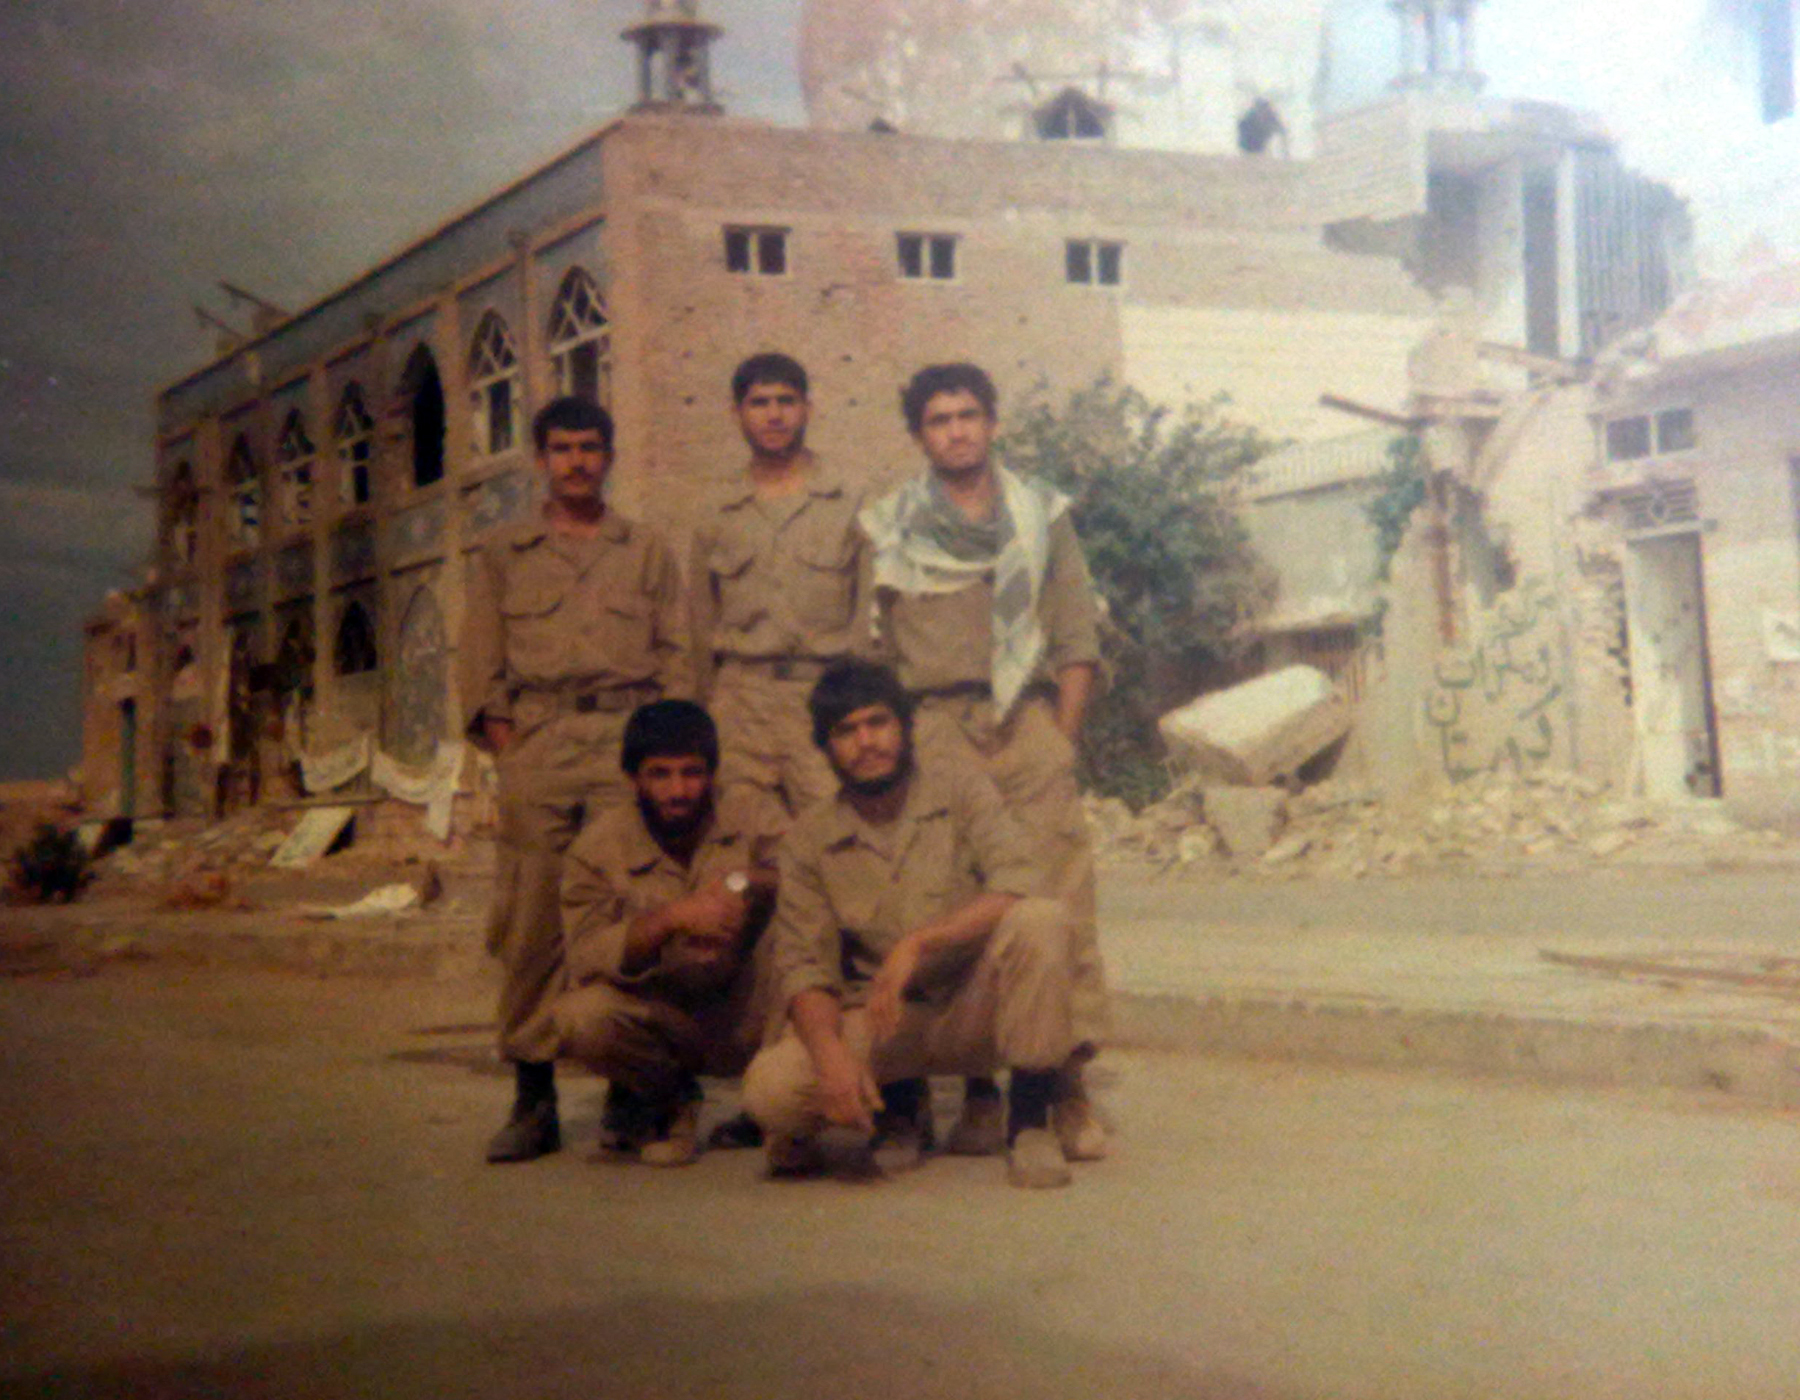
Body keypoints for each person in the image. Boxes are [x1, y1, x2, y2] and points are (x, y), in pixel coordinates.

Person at [859, 362, 1109, 1161]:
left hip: (1025, 724)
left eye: (968, 415)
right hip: (933, 726)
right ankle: (972, 1091)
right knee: (949, 896)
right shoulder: (891, 524)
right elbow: (877, 650)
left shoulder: (1040, 514)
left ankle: (1064, 1085)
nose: (957, 430)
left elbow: (1075, 635)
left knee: (1058, 899)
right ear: (919, 435)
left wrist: (1059, 741)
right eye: (938, 420)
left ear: (992, 423)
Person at [741, 661, 1081, 1189]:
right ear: (826, 748)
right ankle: (898, 1111)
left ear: (904, 726)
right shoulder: (810, 838)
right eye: (846, 731)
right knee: (772, 1093)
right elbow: (805, 966)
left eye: (878, 723)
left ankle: (1029, 1122)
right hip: (888, 1020)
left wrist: (920, 943)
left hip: (975, 1008)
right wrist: (830, 1058)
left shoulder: (962, 790)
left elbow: (1019, 882)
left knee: (1042, 921)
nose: (866, 742)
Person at [461, 395, 691, 1164]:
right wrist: (509, 745)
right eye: (562, 449)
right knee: (533, 919)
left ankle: (629, 1088)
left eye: (590, 448)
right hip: (542, 741)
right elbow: (481, 659)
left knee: (631, 908)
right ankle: (533, 1096)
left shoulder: (645, 549)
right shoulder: (504, 551)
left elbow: (678, 653)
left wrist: (664, 747)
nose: (577, 462)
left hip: (627, 743)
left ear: (609, 457)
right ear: (541, 459)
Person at [553, 700, 779, 1166]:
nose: (678, 791)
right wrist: (671, 918)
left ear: (712, 774)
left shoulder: (750, 810)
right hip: (667, 1017)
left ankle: (780, 1109)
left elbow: (814, 874)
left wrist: (745, 881)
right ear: (632, 778)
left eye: (692, 773)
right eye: (660, 774)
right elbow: (586, 955)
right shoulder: (597, 847)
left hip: (749, 1008)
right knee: (579, 1016)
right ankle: (671, 1098)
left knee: (801, 927)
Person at [689, 353, 869, 821]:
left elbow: (868, 622)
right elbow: (699, 626)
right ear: (737, 413)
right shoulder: (715, 512)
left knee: (838, 834)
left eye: (786, 401)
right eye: (759, 403)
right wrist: (709, 712)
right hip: (741, 707)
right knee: (743, 841)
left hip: (823, 700)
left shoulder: (849, 502)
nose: (774, 415)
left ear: (807, 409)